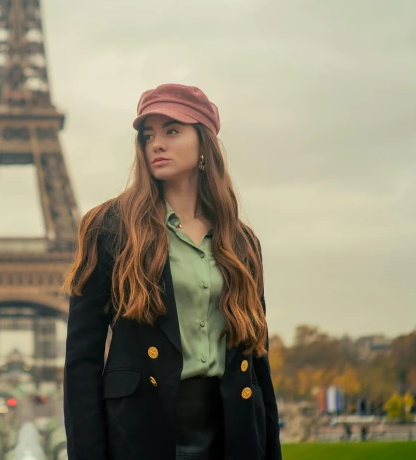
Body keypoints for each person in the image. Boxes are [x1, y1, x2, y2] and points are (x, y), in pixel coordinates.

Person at [62, 83, 282, 460]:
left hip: (232, 428)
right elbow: (82, 361)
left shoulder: (242, 242)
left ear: (204, 144)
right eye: (149, 135)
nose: (156, 144)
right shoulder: (111, 228)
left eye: (172, 131)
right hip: (143, 429)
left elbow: (255, 356)